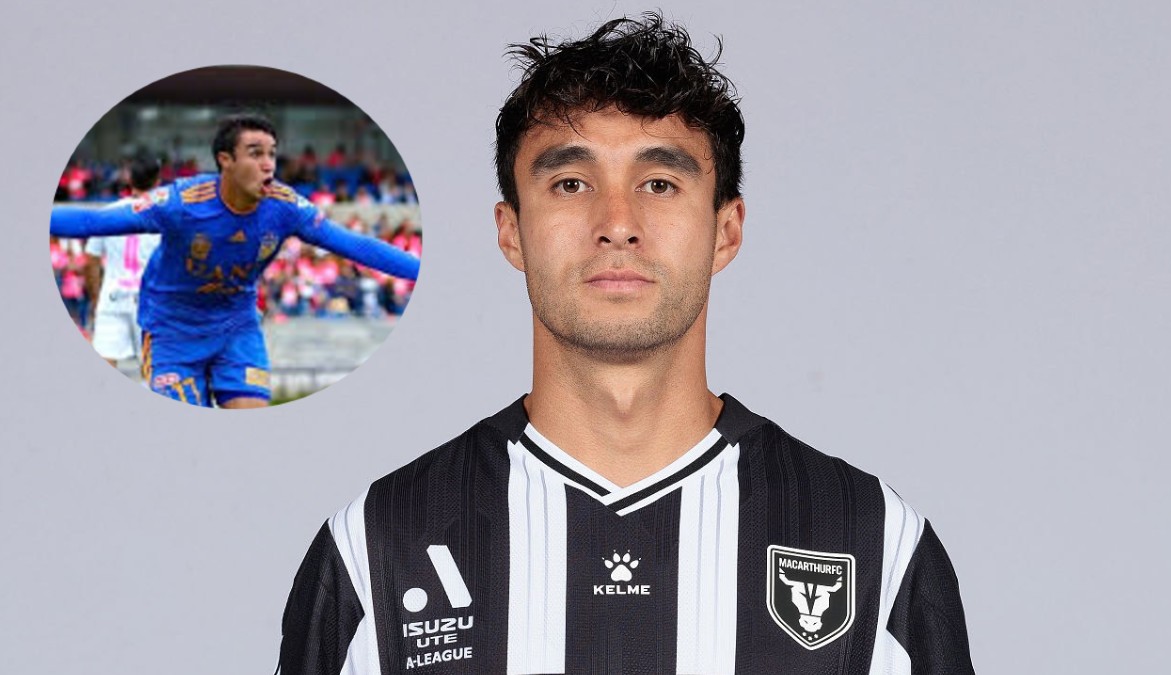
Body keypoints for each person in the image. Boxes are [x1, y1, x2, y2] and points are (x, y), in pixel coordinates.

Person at [278, 13, 972, 674]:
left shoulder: (873, 542)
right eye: (571, 183)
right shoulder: (377, 548)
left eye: (660, 183)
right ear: (511, 231)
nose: (617, 222)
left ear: (726, 230)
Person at [50, 114, 420, 408]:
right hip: (172, 332)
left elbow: (357, 246)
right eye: (255, 153)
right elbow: (91, 222)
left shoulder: (287, 208)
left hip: (237, 327)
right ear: (225, 160)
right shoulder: (181, 203)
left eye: (272, 153)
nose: (268, 164)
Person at [83, 151, 162, 368]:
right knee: (153, 372)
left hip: (112, 298)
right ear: (158, 181)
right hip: (151, 303)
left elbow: (91, 259)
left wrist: (96, 299)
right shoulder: (164, 216)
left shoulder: (107, 213)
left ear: (129, 179)